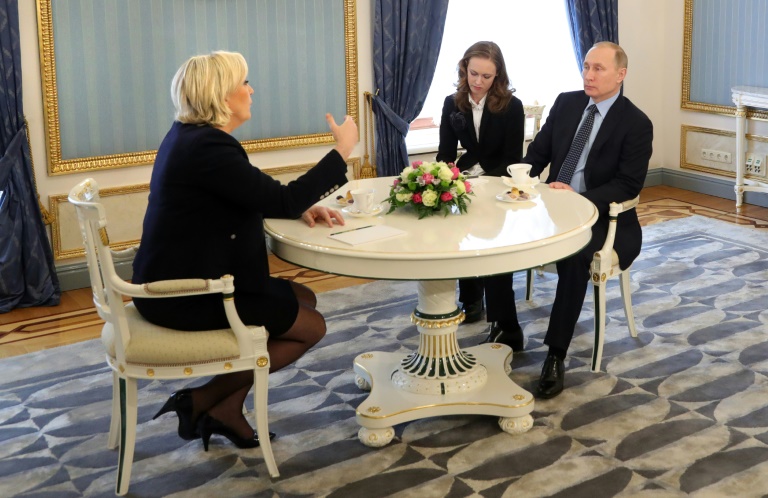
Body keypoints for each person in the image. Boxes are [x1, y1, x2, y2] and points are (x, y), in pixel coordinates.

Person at [131, 51, 358, 449]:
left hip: (183, 278)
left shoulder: (192, 139)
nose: (251, 91)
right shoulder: (208, 148)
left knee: (303, 298)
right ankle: (200, 399)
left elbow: (252, 195)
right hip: (183, 294)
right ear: (222, 95)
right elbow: (282, 199)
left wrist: (299, 206)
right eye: (245, 83)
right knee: (311, 328)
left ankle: (225, 409)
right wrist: (342, 150)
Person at [485, 41, 653, 398]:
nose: (588, 75)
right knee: (497, 235)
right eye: (586, 67)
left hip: (604, 218)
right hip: (552, 207)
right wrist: (515, 182)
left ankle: (555, 354)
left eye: (598, 69)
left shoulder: (636, 123)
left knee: (575, 257)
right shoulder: (567, 103)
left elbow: (628, 184)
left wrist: (578, 198)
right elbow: (538, 154)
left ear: (620, 75)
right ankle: (508, 326)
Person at [435, 41, 525, 326]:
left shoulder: (512, 106)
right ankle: (471, 298)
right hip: (465, 177)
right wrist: (448, 179)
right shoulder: (452, 103)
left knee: (494, 241)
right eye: (473, 73)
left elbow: (513, 158)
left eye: (486, 76)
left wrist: (482, 183)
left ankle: (498, 303)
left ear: (497, 76)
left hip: (499, 179)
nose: (478, 81)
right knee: (461, 234)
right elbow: (445, 154)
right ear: (465, 68)